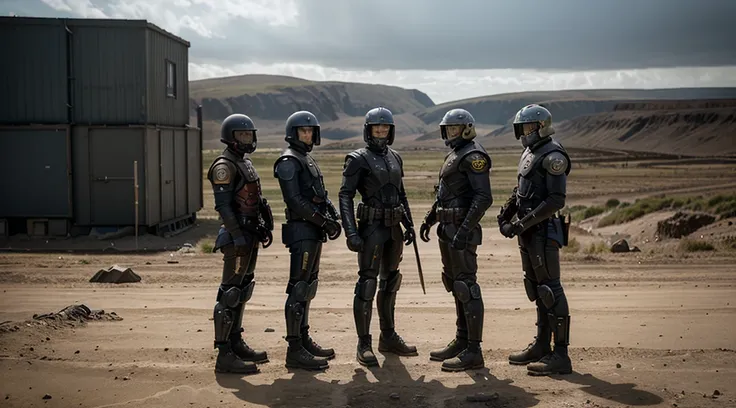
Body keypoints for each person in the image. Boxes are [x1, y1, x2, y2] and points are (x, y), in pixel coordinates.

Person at [338, 107, 419, 367]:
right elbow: (345, 195)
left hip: (394, 229)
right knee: (367, 284)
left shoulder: (395, 157)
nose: (381, 131)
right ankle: (364, 343)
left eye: (385, 127)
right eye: (376, 127)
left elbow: (402, 194)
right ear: (368, 130)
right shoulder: (357, 159)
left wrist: (409, 224)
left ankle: (389, 337)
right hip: (372, 228)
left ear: (391, 130)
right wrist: (351, 231)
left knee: (391, 281)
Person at [497, 103, 573, 376]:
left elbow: (555, 200)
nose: (525, 133)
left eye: (529, 127)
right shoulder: (531, 152)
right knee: (536, 288)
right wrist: (506, 214)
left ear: (542, 126)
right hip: (529, 233)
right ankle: (542, 345)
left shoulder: (553, 155)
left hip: (544, 232)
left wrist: (521, 223)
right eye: (523, 128)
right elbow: (522, 192)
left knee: (551, 290)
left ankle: (561, 355)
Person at [419, 108, 493, 372]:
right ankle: (462, 341)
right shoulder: (455, 154)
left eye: (455, 128)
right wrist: (431, 217)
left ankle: (474, 350)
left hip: (462, 230)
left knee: (466, 286)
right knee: (454, 284)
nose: (451, 132)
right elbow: (446, 194)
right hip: (447, 229)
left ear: (466, 128)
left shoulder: (474, 155)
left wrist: (463, 231)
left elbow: (483, 197)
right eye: (448, 129)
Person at [273, 110, 342, 370]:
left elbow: (318, 195)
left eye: (311, 131)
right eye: (303, 131)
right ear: (293, 133)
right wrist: (324, 221)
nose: (308, 134)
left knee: (308, 287)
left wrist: (331, 215)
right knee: (299, 288)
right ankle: (294, 349)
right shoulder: (289, 160)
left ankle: (303, 339)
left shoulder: (306, 158)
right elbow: (295, 201)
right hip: (302, 231)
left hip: (313, 231)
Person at [207, 113, 274, 374]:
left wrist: (262, 226)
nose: (247, 139)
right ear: (230, 137)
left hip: (250, 234)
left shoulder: (243, 162)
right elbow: (223, 207)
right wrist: (238, 237)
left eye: (249, 134)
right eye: (242, 135)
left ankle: (236, 342)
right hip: (237, 238)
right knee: (230, 293)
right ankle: (224, 354)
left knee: (243, 289)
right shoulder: (225, 165)